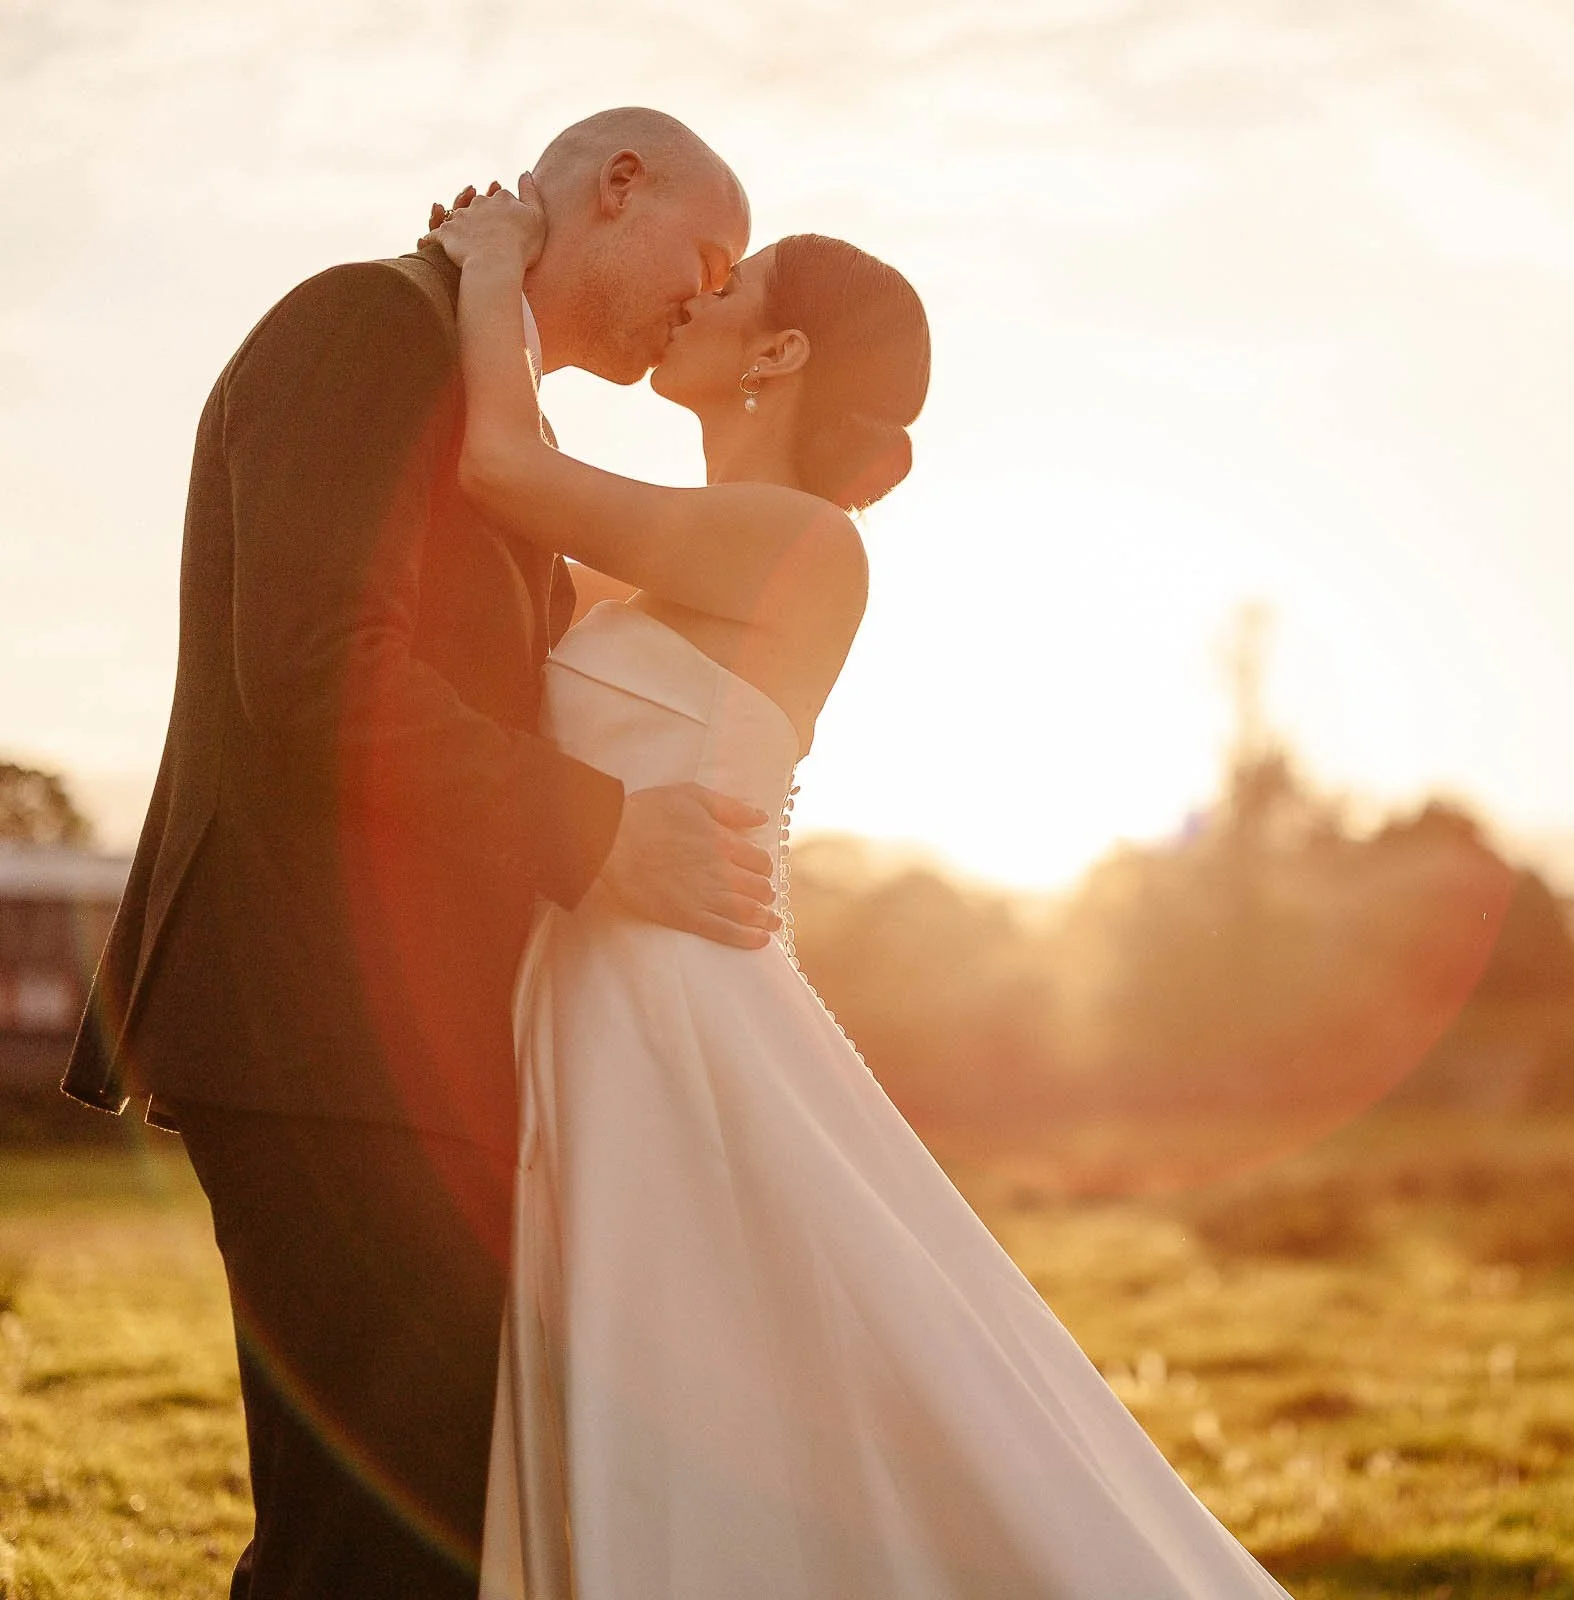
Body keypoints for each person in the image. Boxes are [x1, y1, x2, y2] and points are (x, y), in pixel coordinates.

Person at [427, 184, 1292, 1597]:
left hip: (680, 1022)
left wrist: (488, 270)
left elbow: (504, 476)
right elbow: (515, 545)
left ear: (779, 357)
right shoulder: (665, 560)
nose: (696, 298)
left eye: (732, 284)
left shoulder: (802, 544)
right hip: (596, 1010)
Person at [62, 109, 779, 1599]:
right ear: (616, 186)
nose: (707, 299)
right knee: (372, 1547)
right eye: (705, 259)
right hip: (323, 1030)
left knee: (413, 1528)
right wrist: (600, 836)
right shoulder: (363, 329)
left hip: (390, 1046)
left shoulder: (467, 383)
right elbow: (321, 669)